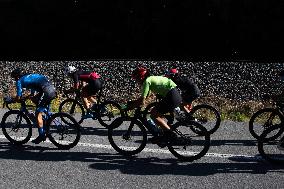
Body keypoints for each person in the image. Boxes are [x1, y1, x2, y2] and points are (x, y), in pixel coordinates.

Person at [128, 67, 182, 144]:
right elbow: (146, 96)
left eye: (136, 79)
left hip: (171, 96)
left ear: (141, 77)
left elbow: (142, 100)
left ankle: (170, 135)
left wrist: (131, 106)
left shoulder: (146, 81)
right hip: (174, 94)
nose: (136, 81)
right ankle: (164, 132)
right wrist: (135, 102)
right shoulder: (150, 79)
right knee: (156, 112)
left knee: (154, 114)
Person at [9, 68, 57, 144]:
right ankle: (46, 122)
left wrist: (12, 100)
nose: (14, 80)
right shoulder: (28, 76)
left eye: (14, 78)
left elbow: (18, 97)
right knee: (35, 100)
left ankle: (41, 135)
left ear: (16, 77)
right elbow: (33, 89)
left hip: (46, 91)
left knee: (38, 112)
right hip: (51, 89)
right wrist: (29, 96)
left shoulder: (19, 81)